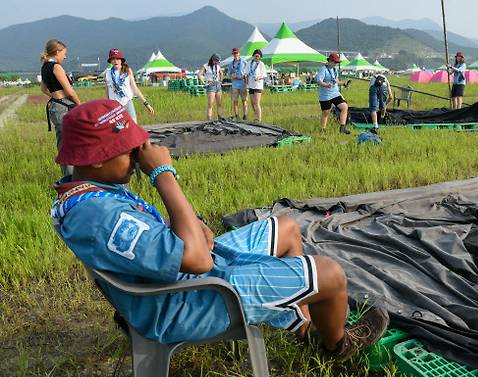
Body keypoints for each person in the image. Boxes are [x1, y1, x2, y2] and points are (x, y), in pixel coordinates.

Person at [50, 99, 389, 360]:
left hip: (184, 278)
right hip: (183, 303)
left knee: (286, 228)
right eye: (129, 150)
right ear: (96, 158)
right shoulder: (97, 214)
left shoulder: (93, 191)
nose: (139, 156)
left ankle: (300, 325)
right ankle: (336, 346)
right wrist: (162, 174)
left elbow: (172, 239)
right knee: (331, 274)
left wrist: (191, 229)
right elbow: (196, 259)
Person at [40, 38, 82, 176]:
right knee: (69, 144)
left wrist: (54, 96)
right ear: (57, 52)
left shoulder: (44, 66)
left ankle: (68, 175)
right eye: (64, 53)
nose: (65, 56)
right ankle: (71, 178)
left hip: (54, 106)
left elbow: (43, 89)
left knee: (62, 143)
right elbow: (70, 91)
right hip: (63, 107)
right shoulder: (56, 67)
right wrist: (80, 105)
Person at [104, 49, 154, 123]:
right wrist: (107, 107)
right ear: (110, 61)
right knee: (118, 128)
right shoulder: (108, 74)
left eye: (118, 59)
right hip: (114, 105)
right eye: (113, 59)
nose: (115, 61)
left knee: (133, 125)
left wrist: (146, 104)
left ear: (121, 60)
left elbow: (135, 89)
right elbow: (107, 93)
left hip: (127, 102)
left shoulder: (127, 71)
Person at [316, 53, 350, 134]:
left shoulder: (335, 70)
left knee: (344, 107)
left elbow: (336, 81)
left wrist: (344, 84)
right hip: (325, 96)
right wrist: (327, 85)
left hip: (335, 93)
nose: (336, 64)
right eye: (335, 62)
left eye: (337, 63)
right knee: (325, 113)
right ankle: (322, 130)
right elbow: (319, 81)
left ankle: (342, 128)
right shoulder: (323, 69)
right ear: (330, 61)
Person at [198, 54, 224, 121]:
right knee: (210, 104)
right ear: (213, 60)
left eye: (218, 61)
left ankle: (220, 118)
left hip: (217, 84)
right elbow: (199, 74)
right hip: (210, 85)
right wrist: (203, 82)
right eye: (216, 61)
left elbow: (221, 73)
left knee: (219, 103)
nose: (217, 62)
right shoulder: (206, 66)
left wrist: (220, 81)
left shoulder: (217, 66)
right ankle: (209, 119)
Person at [226, 48, 248, 120]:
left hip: (243, 84)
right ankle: (237, 116)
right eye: (234, 53)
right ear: (232, 54)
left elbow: (248, 72)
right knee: (235, 101)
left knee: (244, 100)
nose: (235, 54)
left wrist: (244, 76)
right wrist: (232, 76)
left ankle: (245, 115)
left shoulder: (244, 62)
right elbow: (228, 74)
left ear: (239, 53)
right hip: (234, 84)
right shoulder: (231, 64)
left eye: (236, 53)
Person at [247, 49, 266, 122]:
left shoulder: (261, 64)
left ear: (260, 57)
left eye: (258, 56)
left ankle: (259, 119)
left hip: (258, 85)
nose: (257, 57)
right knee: (252, 102)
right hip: (251, 84)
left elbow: (264, 75)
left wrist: (259, 77)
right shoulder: (249, 63)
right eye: (255, 56)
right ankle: (255, 116)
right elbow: (246, 73)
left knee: (257, 102)